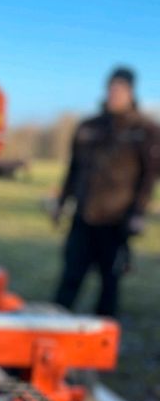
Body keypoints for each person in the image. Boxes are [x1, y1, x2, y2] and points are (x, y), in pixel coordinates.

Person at [53, 67, 160, 318]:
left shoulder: (144, 130)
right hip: (83, 216)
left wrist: (137, 213)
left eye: (120, 90)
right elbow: (73, 169)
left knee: (109, 284)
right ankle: (55, 327)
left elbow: (148, 177)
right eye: (111, 88)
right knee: (70, 276)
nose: (114, 94)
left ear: (131, 93)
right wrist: (61, 202)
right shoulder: (89, 127)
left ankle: (102, 338)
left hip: (116, 221)